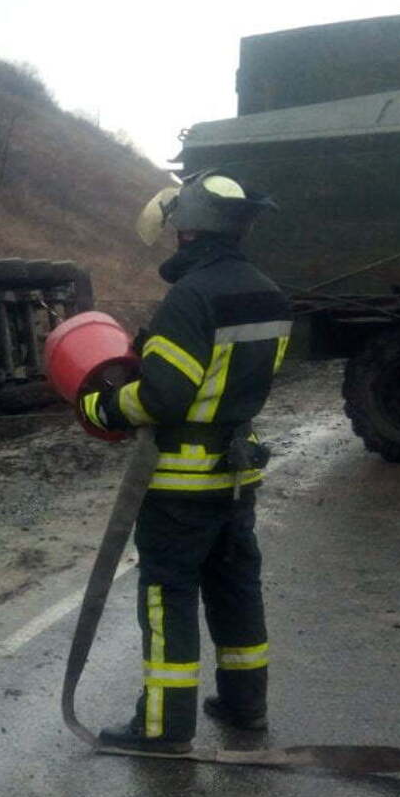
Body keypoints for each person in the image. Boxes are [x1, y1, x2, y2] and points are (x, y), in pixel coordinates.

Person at [77, 171, 291, 754]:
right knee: (235, 587)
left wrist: (101, 404)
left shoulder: (191, 298)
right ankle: (246, 706)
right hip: (237, 474)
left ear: (188, 230)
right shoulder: (268, 292)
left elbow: (161, 397)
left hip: (180, 482)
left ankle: (163, 727)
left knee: (168, 594)